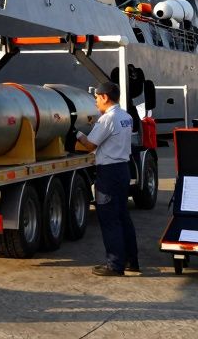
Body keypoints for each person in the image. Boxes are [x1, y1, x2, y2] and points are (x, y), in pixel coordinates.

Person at [75, 81, 139, 276]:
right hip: (122, 170)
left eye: (96, 98)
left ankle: (115, 264)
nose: (95, 102)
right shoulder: (126, 117)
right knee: (123, 217)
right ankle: (132, 261)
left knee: (110, 219)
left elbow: (90, 145)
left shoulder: (107, 119)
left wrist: (77, 134)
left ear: (104, 97)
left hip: (109, 173)